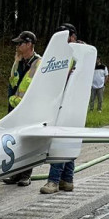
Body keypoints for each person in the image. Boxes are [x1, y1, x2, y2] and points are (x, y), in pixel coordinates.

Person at [41, 23, 81, 195]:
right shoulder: (59, 54)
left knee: (61, 140)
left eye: (65, 36)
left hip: (71, 102)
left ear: (72, 37)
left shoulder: (77, 53)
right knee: (68, 140)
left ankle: (53, 181)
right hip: (60, 101)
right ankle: (67, 180)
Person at [1, 31, 41, 186]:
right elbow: (12, 83)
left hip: (29, 109)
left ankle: (26, 174)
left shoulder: (39, 63)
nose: (17, 46)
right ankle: (16, 174)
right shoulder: (18, 61)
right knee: (15, 141)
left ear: (29, 44)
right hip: (14, 107)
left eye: (20, 43)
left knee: (28, 141)